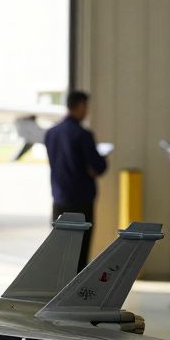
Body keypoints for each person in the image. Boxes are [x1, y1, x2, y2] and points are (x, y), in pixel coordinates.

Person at [43, 90, 108, 270]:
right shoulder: (83, 135)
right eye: (86, 106)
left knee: (60, 250)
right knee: (79, 253)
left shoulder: (51, 133)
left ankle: (57, 292)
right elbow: (98, 167)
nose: (87, 111)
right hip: (81, 202)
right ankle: (75, 294)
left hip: (60, 199)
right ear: (80, 106)